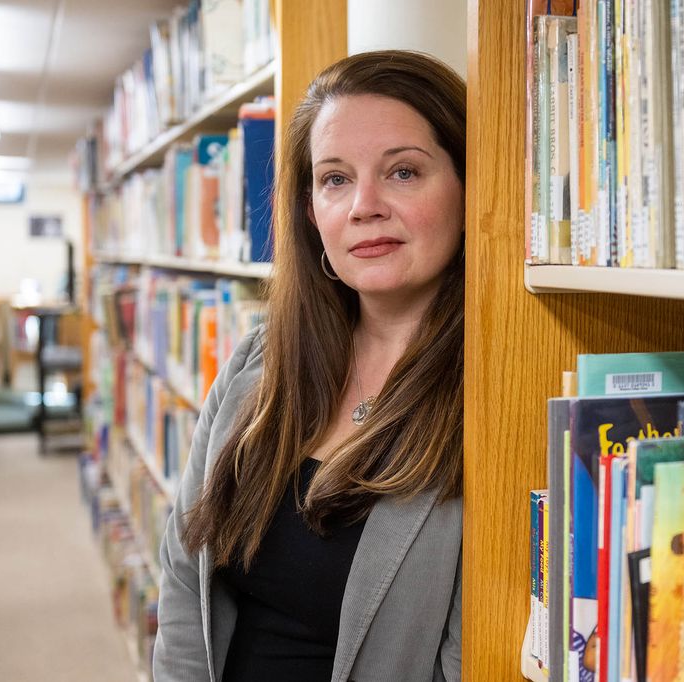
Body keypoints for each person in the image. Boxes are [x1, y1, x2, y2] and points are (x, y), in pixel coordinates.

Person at [152, 50, 466, 682]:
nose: (364, 206)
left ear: (469, 182)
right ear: (309, 209)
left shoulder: (487, 401)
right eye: (335, 179)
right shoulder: (257, 363)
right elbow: (185, 577)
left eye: (403, 172)